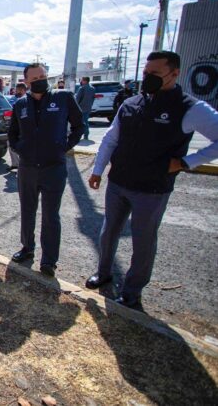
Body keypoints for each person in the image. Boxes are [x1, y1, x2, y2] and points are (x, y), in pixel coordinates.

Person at [85, 51, 218, 309]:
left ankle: (133, 291)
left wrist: (186, 162)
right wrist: (98, 170)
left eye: (154, 74)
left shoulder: (190, 108)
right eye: (145, 73)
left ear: (174, 74)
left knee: (143, 240)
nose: (147, 78)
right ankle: (103, 273)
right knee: (108, 232)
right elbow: (111, 139)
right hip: (119, 182)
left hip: (152, 189)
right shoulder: (132, 103)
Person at [8, 63, 84, 277]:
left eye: (43, 76)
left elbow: (80, 126)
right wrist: (20, 149)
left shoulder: (64, 98)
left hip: (54, 168)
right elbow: (12, 133)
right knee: (27, 211)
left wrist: (65, 146)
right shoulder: (21, 104)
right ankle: (27, 248)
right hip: (28, 168)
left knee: (51, 216)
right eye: (35, 78)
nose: (41, 80)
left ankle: (49, 260)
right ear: (27, 82)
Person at [7, 82, 27, 171]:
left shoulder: (28, 99)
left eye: (20, 90)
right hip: (14, 126)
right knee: (11, 144)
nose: (18, 91)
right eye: (17, 89)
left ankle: (24, 166)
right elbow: (9, 109)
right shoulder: (13, 99)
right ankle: (15, 164)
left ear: (24, 90)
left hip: (24, 126)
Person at [75, 76, 95, 141]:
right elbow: (93, 98)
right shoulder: (92, 88)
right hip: (88, 107)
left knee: (81, 122)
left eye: (82, 80)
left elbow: (77, 99)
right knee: (86, 121)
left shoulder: (82, 88)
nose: (81, 81)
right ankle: (86, 135)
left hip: (81, 107)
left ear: (85, 81)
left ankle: (80, 135)